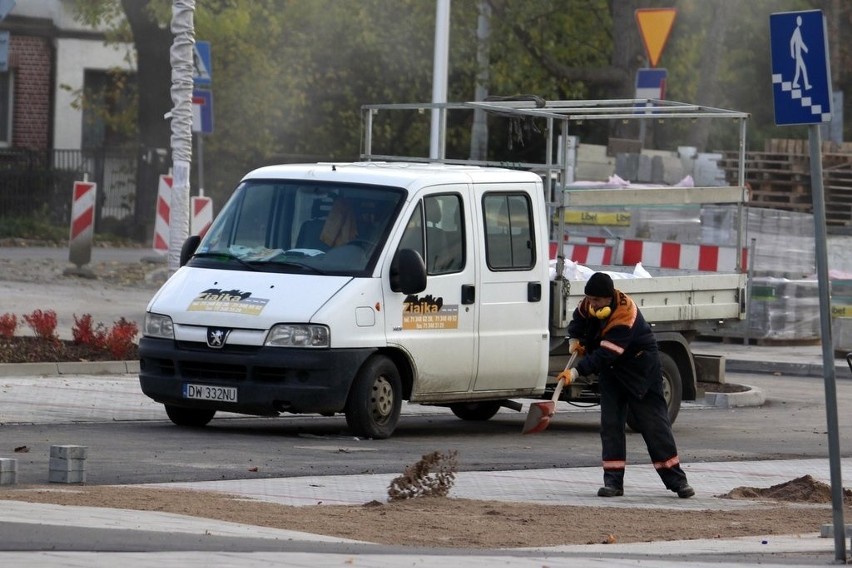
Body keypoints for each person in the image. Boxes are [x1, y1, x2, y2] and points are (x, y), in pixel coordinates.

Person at [561, 272, 694, 499]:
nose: (592, 304)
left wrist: (576, 372)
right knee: (611, 426)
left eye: (597, 301)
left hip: (639, 370)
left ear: (609, 298)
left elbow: (605, 354)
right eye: (590, 299)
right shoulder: (589, 303)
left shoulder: (625, 314)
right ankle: (613, 483)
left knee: (654, 427)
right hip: (612, 372)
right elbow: (579, 320)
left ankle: (677, 481)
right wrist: (574, 339)